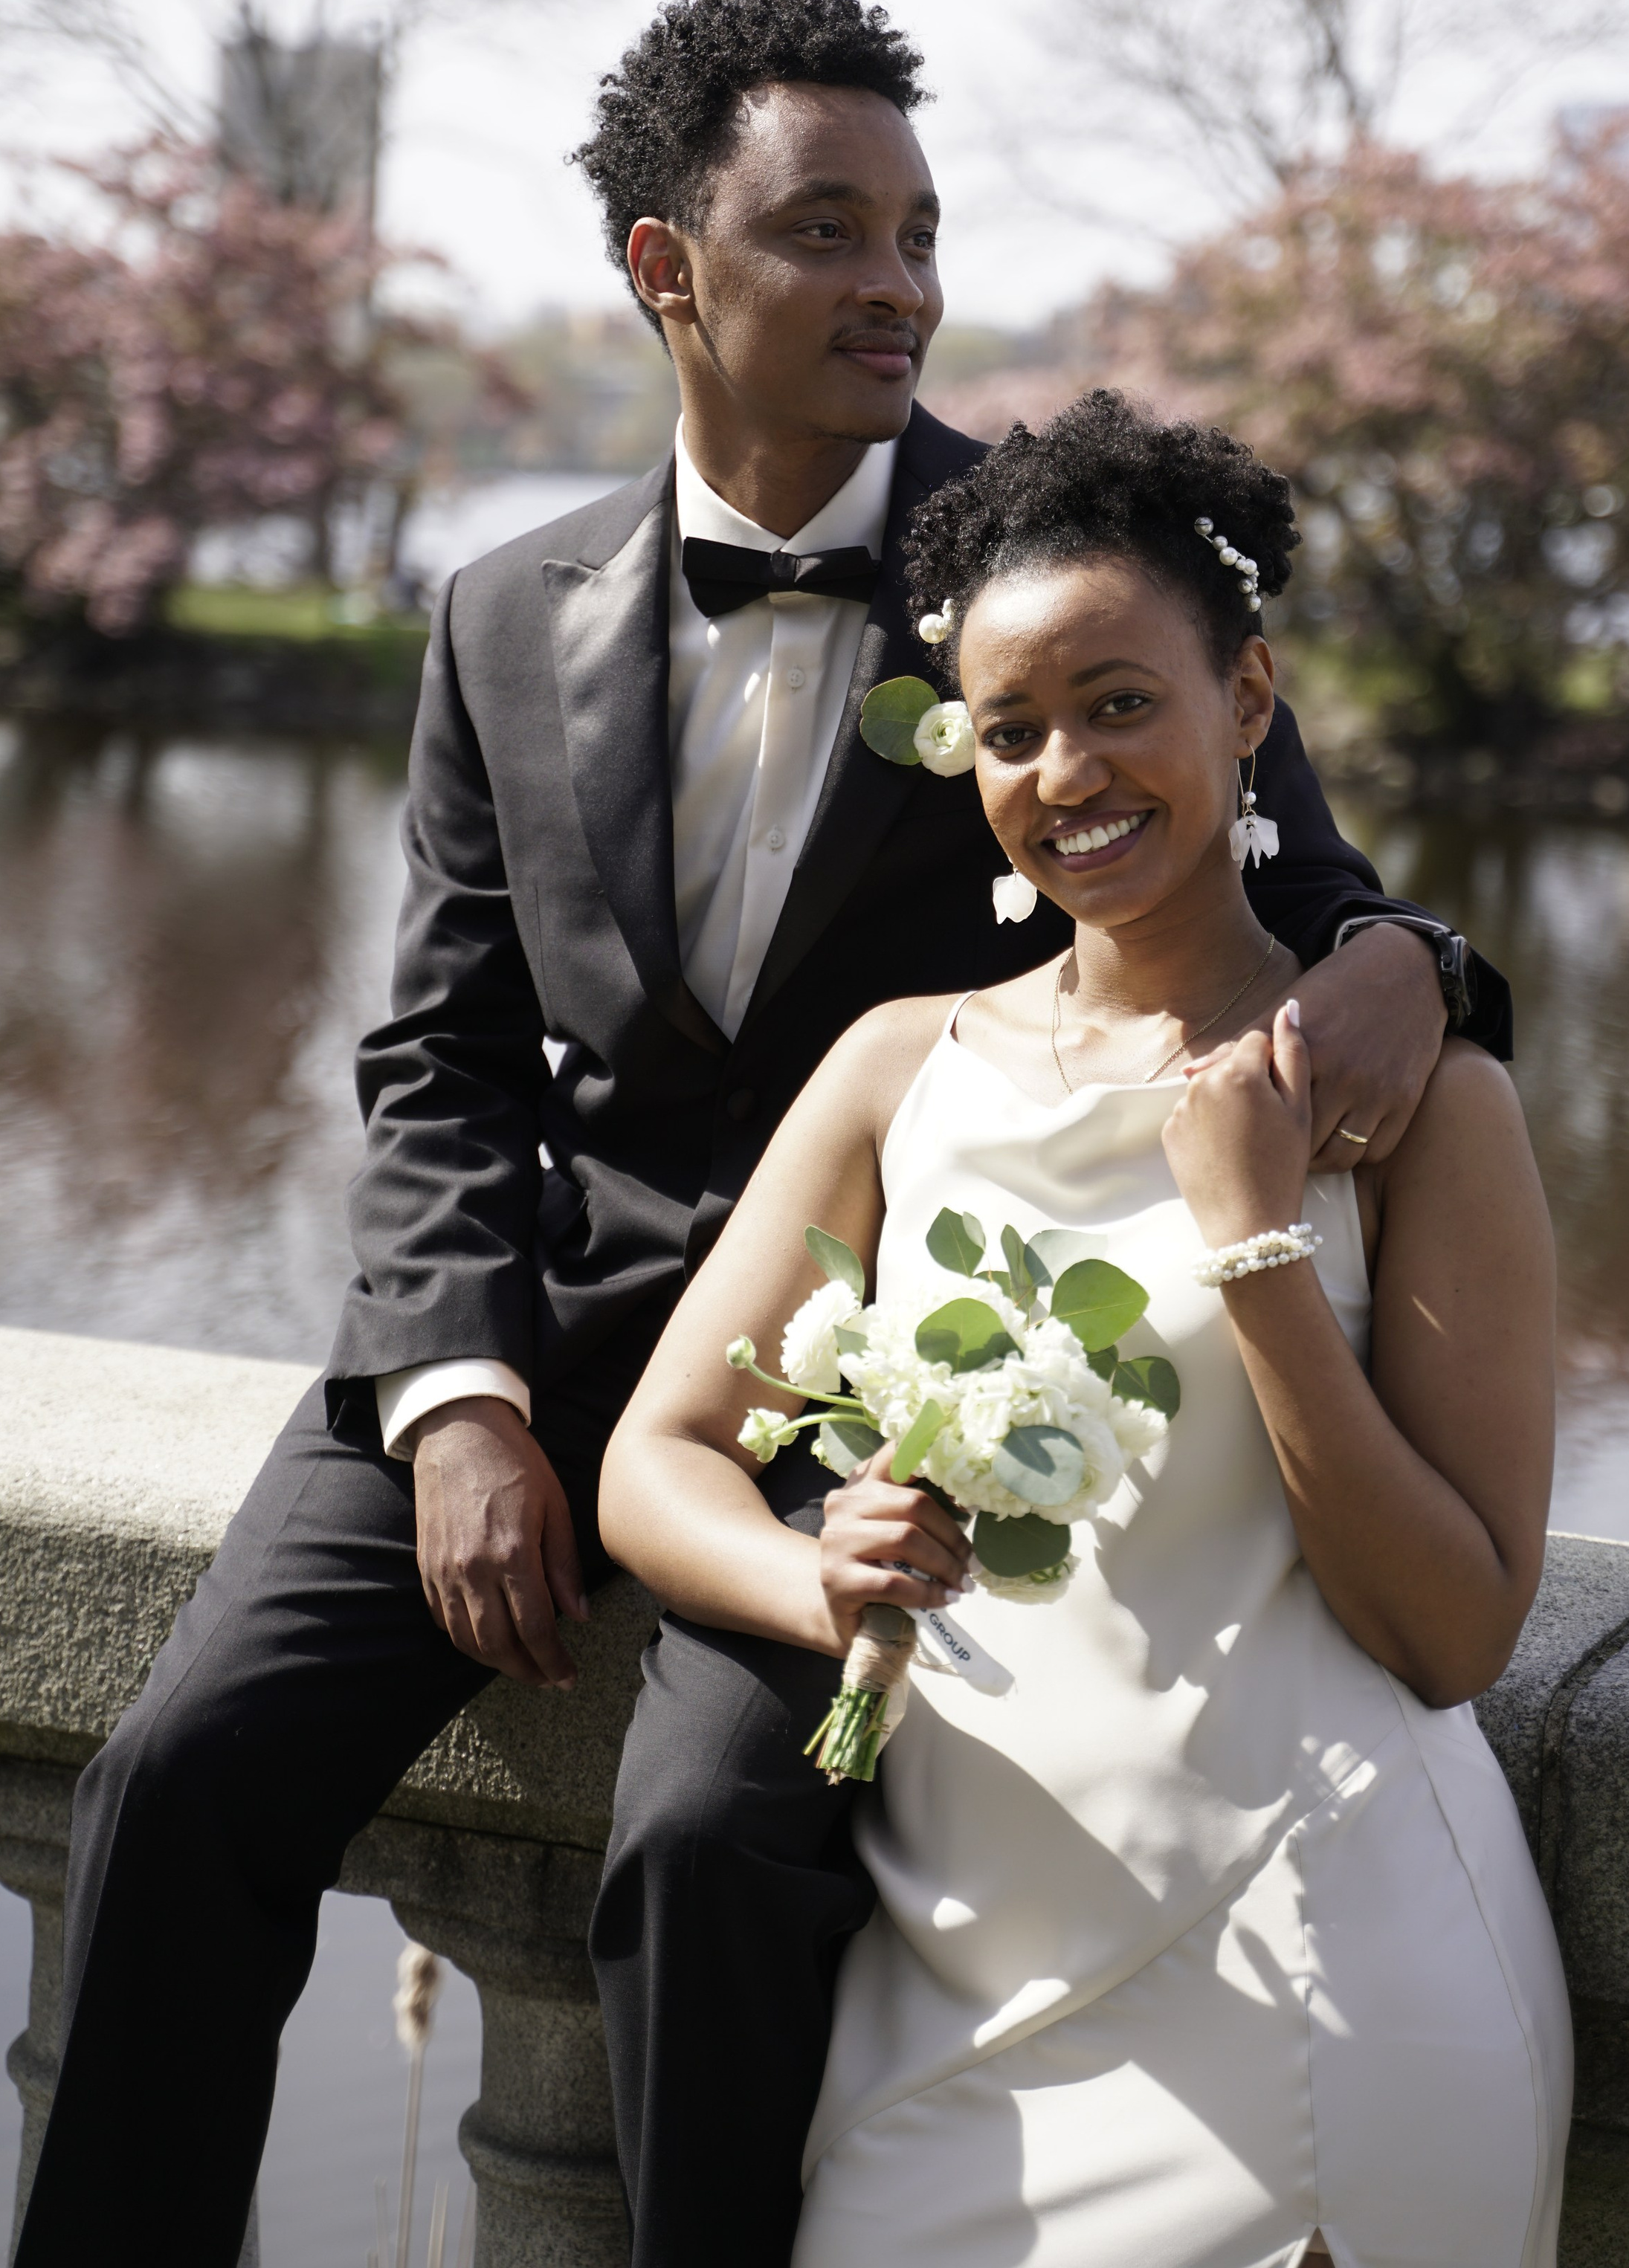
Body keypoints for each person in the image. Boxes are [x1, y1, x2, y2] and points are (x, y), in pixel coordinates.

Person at [15, 0, 1509, 2266]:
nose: (900, 281)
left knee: (707, 1845)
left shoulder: (1033, 579)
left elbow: (1310, 888)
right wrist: (456, 1393)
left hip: (864, 1392)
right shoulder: (499, 608)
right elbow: (436, 1053)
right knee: (170, 1781)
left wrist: (1421, 953)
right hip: (528, 1327)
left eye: (922, 230)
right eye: (829, 228)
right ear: (665, 265)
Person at [601, 391, 1570, 2268]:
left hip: (1329, 1982)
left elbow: (1453, 1627)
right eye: (1013, 727)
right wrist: (819, 1574)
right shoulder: (897, 1067)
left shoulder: (1417, 1103)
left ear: (1250, 701)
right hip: (953, 1987)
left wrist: (1253, 1243)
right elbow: (658, 1457)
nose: (1067, 771)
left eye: (1122, 701)